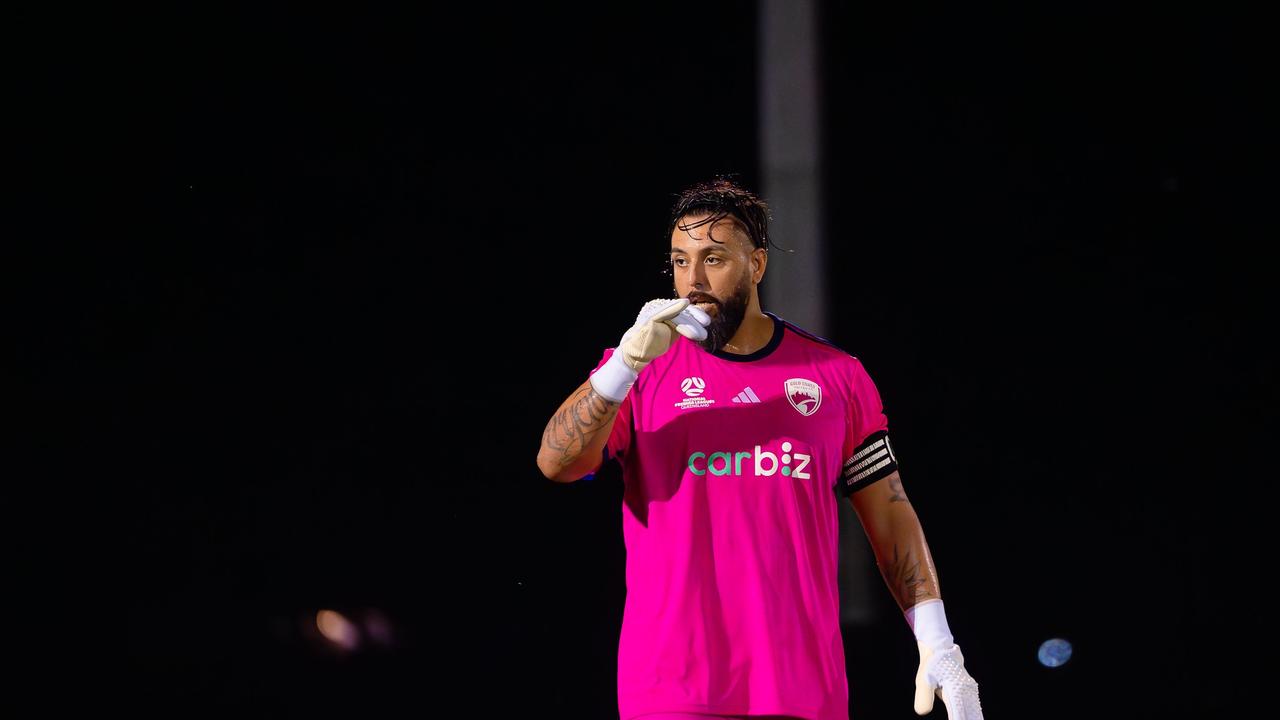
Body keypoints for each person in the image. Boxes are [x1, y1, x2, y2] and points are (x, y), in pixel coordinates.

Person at [536, 178, 983, 720]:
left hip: (802, 691)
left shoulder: (837, 377)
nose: (692, 280)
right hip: (672, 692)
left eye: (714, 259)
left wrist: (937, 639)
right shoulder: (637, 369)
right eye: (679, 261)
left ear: (757, 265)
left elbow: (889, 512)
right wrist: (621, 368)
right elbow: (556, 464)